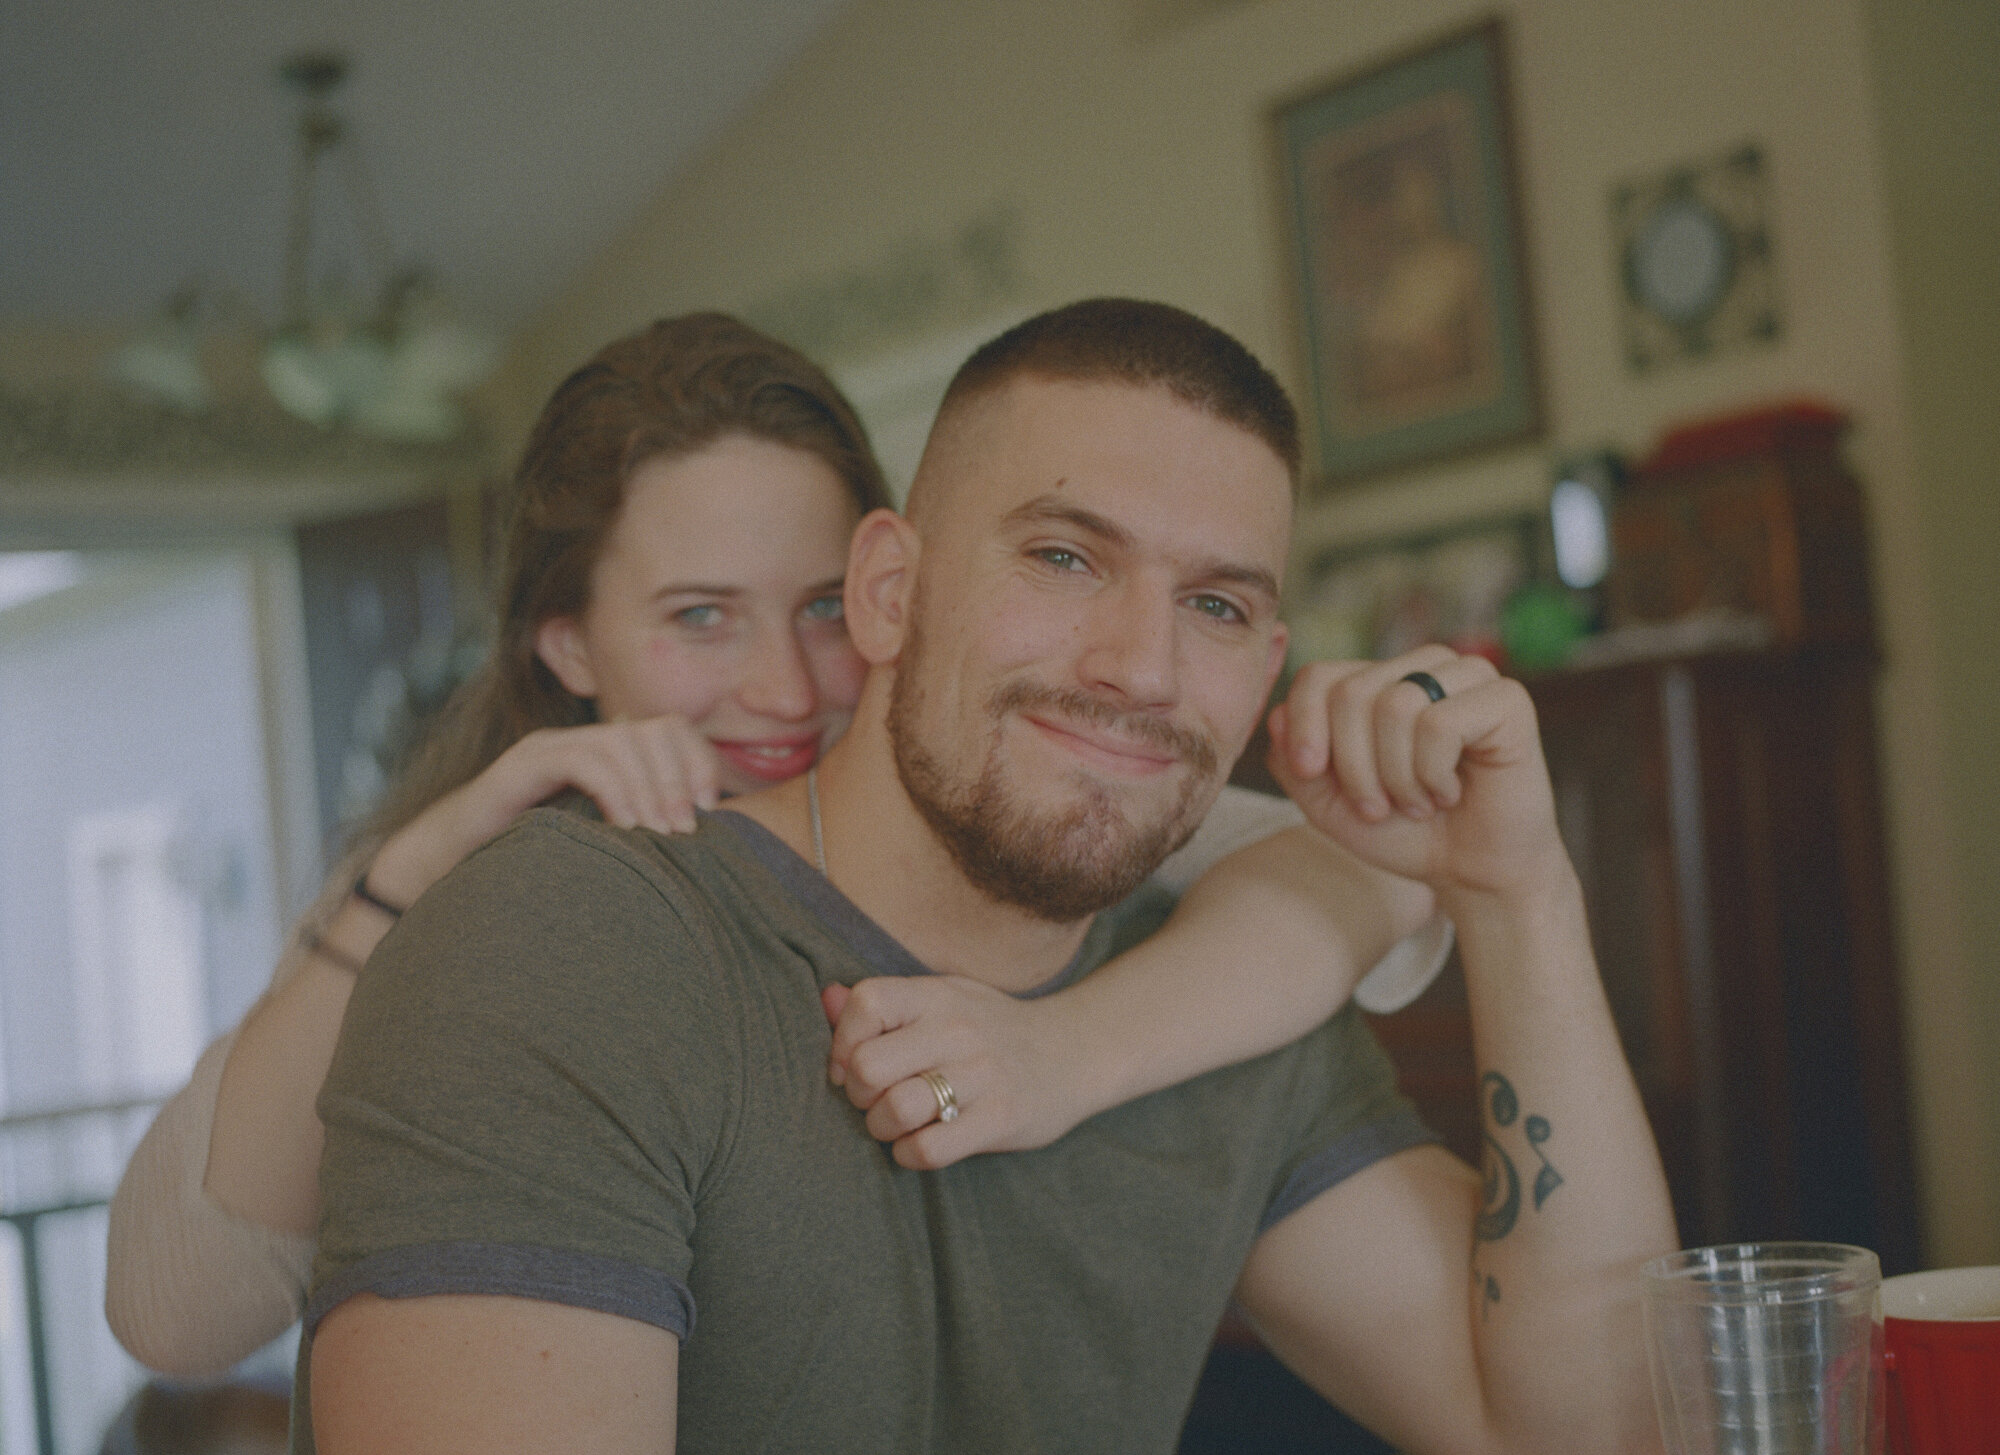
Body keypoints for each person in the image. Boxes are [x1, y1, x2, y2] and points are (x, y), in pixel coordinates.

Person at [298, 299, 1676, 1455]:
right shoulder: (574, 947)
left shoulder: (1214, 1003)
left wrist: (1521, 895)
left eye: (1217, 605)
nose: (1140, 667)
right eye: (1065, 557)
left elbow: (1596, 1441)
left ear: (1268, 668)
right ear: (889, 593)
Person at [106, 311, 1443, 1378]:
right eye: (699, 619)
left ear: (891, 592)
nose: (787, 691)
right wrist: (436, 852)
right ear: (569, 643)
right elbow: (173, 1318)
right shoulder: (488, 909)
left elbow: (1378, 872)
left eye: (818, 609)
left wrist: (1067, 1055)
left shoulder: (1016, 805)